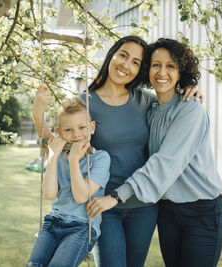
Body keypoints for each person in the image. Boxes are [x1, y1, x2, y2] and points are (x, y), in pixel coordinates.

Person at [33, 35, 202, 267]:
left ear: (139, 70)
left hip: (142, 205)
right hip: (102, 205)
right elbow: (55, 143)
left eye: (135, 62)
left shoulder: (145, 101)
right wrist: (37, 115)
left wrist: (188, 88)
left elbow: (170, 105)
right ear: (111, 55)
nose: (126, 65)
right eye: (123, 55)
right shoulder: (84, 103)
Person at [87, 38, 222, 267]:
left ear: (181, 71)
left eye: (170, 66)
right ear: (148, 70)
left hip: (201, 211)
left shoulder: (190, 109)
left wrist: (116, 196)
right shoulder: (150, 108)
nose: (162, 72)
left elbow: (164, 163)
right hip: (168, 210)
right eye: (155, 65)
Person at [27, 97, 111, 267]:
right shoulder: (58, 156)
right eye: (68, 130)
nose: (76, 135)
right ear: (60, 132)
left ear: (92, 127)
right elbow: (50, 194)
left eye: (82, 127)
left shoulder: (100, 158)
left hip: (81, 227)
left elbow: (81, 197)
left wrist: (74, 160)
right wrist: (52, 156)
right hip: (53, 222)